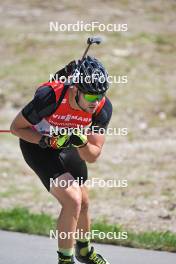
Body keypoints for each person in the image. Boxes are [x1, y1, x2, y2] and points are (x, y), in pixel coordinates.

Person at [10, 56, 113, 264]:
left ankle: (83, 251)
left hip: (68, 144)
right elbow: (16, 128)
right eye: (91, 96)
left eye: (100, 95)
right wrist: (46, 141)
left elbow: (92, 155)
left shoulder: (102, 107)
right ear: (76, 89)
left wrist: (82, 142)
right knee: (72, 199)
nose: (96, 102)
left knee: (83, 201)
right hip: (37, 145)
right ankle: (64, 260)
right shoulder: (50, 97)